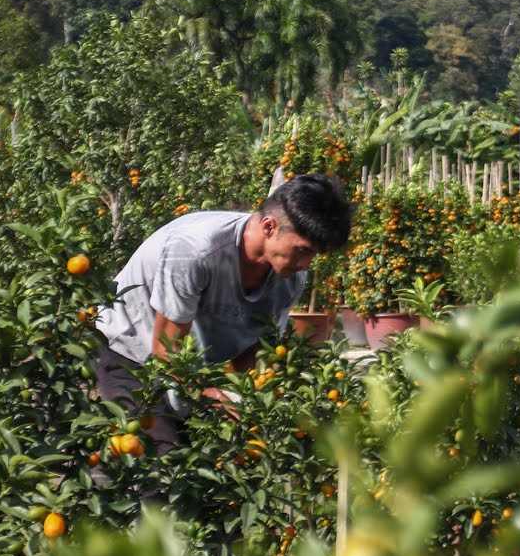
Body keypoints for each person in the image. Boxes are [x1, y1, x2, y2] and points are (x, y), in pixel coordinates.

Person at [93, 173, 352, 454]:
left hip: (189, 368)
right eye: (302, 251)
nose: (306, 264)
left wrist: (240, 398)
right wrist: (210, 397)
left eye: (313, 255)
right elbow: (166, 351)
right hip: (129, 350)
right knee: (160, 469)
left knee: (216, 466)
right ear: (268, 226)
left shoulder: (290, 279)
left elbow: (256, 347)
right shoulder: (195, 250)